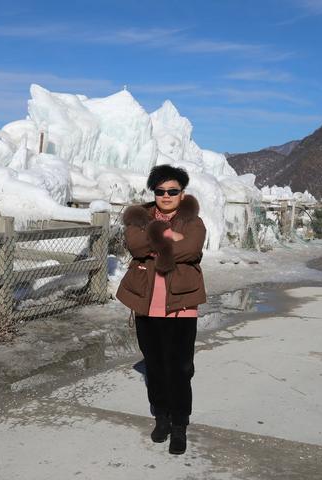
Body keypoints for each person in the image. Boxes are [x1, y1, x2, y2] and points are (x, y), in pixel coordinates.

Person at [116, 164, 207, 455]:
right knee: (155, 367)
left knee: (180, 368)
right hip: (147, 305)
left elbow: (192, 249)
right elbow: (135, 245)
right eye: (160, 191)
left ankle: (179, 424)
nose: (166, 196)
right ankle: (162, 418)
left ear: (182, 192)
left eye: (172, 191)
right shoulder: (138, 218)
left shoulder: (193, 221)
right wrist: (170, 239)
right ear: (153, 192)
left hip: (181, 305)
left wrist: (155, 241)